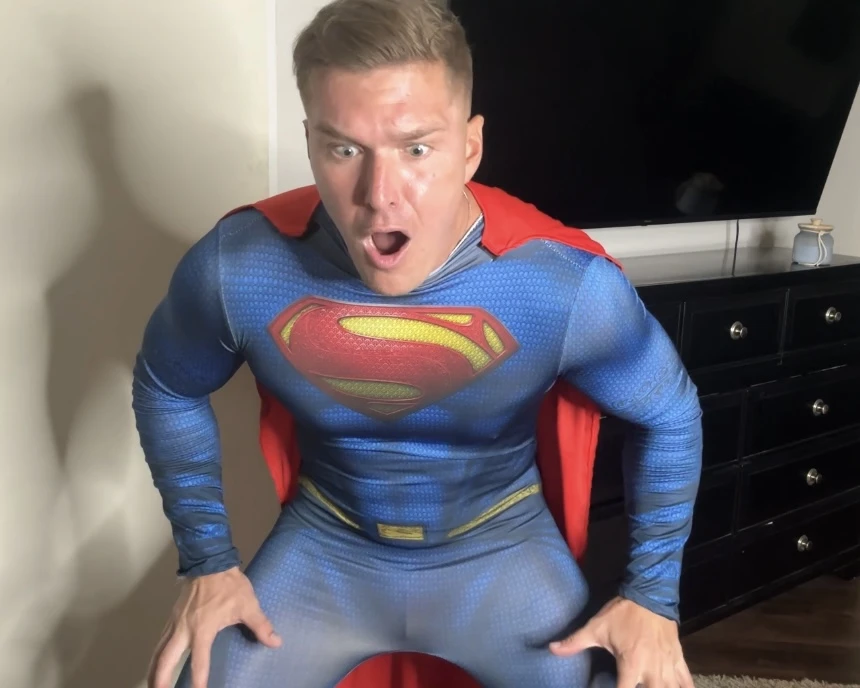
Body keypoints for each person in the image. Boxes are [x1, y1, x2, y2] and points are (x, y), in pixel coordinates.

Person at [131, 0, 703, 686]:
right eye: (345, 149)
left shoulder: (558, 286)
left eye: (417, 149)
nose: (380, 196)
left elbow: (669, 413)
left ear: (470, 148)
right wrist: (206, 561)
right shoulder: (240, 269)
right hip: (328, 550)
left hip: (501, 554)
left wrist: (652, 596)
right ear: (311, 143)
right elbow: (167, 384)